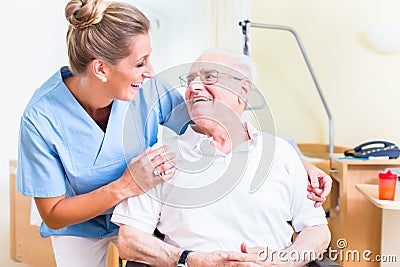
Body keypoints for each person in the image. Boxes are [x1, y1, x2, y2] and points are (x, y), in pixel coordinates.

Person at [17, 0, 329, 266]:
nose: (152, 71)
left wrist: (298, 162)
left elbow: (219, 125)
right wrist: (125, 186)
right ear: (101, 69)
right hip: (79, 223)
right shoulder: (42, 117)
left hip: (139, 215)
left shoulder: (148, 90)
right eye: (141, 62)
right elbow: (55, 214)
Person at [111, 49, 331, 267]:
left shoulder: (281, 153)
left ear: (243, 90)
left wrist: (285, 261)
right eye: (190, 81)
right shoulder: (159, 158)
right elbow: (129, 240)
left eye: (209, 78)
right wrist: (189, 259)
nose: (193, 87)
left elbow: (317, 230)